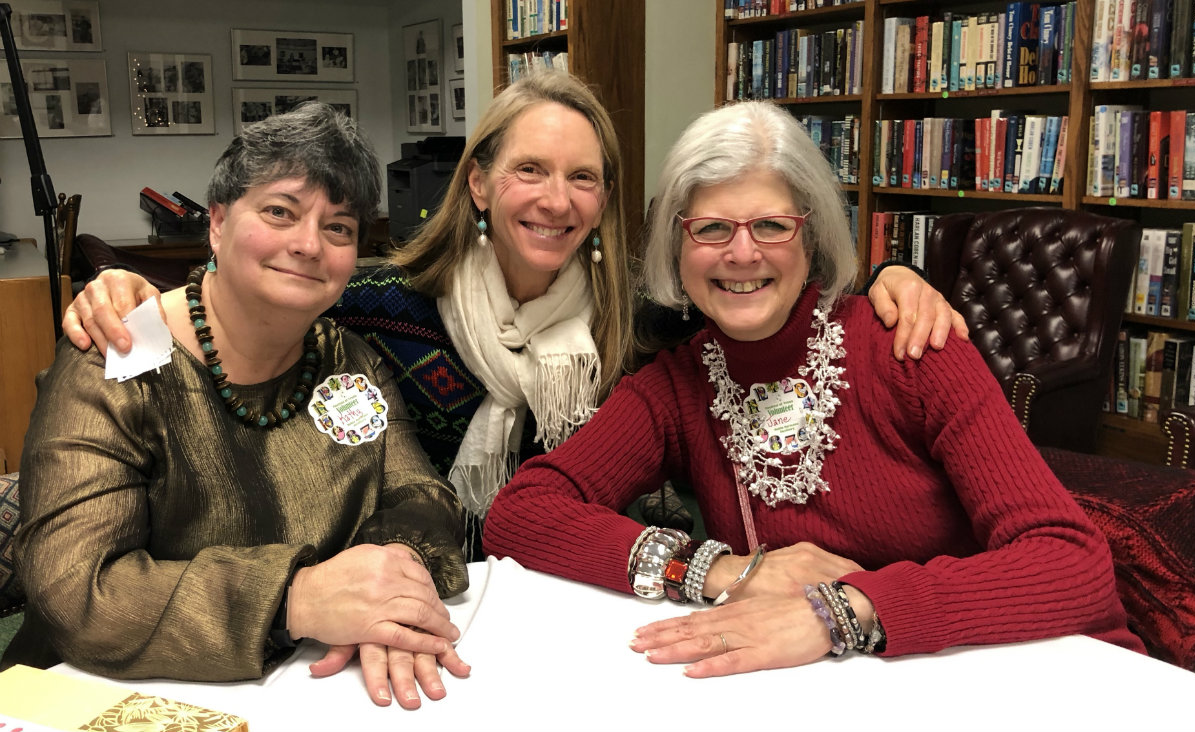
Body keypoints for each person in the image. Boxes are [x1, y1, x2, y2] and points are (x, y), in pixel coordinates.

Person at [61, 72, 964, 557]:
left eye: (584, 177)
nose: (556, 200)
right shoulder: (376, 302)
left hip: (590, 599)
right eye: (531, 170)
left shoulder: (643, 329)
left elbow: (759, 297)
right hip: (423, 587)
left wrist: (882, 276)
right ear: (482, 183)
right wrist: (141, 298)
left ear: (607, 200)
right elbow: (264, 301)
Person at [482, 100, 1145, 677]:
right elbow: (522, 515)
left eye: (771, 225)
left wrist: (841, 612)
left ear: (813, 235)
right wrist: (717, 571)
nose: (742, 254)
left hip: (1028, 674)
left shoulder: (912, 346)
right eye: (711, 228)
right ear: (677, 250)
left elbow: (1072, 567)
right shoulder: (676, 387)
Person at [2, 103, 470, 710]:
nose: (308, 245)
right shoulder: (119, 356)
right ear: (217, 223)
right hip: (99, 701)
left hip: (311, 689)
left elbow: (423, 498)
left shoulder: (350, 360)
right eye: (280, 212)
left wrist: (388, 585)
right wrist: (295, 598)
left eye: (339, 228)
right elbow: (76, 594)